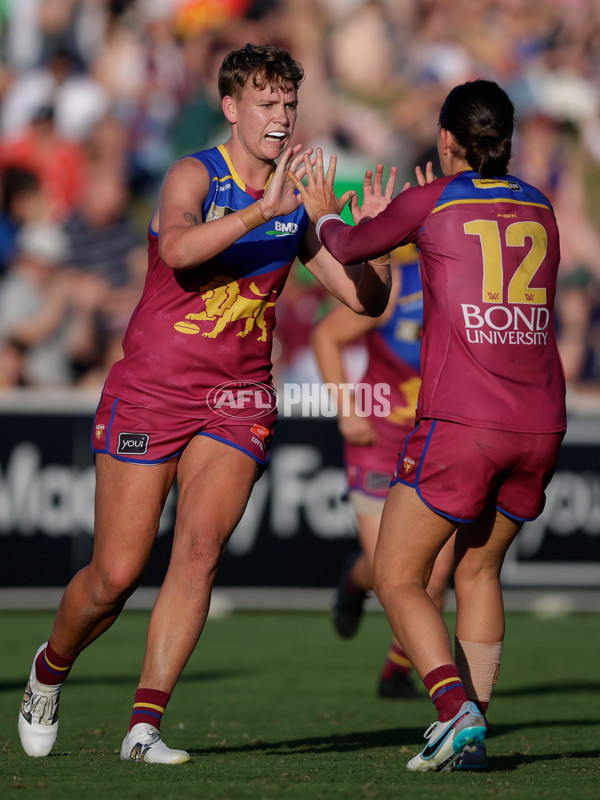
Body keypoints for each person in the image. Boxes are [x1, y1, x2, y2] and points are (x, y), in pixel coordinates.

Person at [17, 43, 395, 764]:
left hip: (238, 398)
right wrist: (260, 212)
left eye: (289, 103)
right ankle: (49, 669)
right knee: (114, 575)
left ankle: (144, 728)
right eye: (267, 102)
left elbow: (365, 302)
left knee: (199, 550)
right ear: (231, 108)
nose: (282, 117)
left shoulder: (296, 200)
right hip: (153, 390)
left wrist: (374, 242)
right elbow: (180, 250)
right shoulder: (195, 173)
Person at [291, 79, 566, 772]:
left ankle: (453, 711)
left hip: (465, 421)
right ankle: (473, 734)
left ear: (446, 140)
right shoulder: (541, 205)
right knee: (478, 570)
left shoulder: (435, 198)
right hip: (541, 422)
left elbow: (350, 246)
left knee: (397, 575)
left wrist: (325, 212)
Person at [311, 246, 455, 700]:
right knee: (386, 567)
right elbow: (325, 336)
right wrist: (347, 411)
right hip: (378, 441)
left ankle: (397, 671)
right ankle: (354, 583)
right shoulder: (399, 288)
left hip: (434, 443)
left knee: (437, 572)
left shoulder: (470, 289)